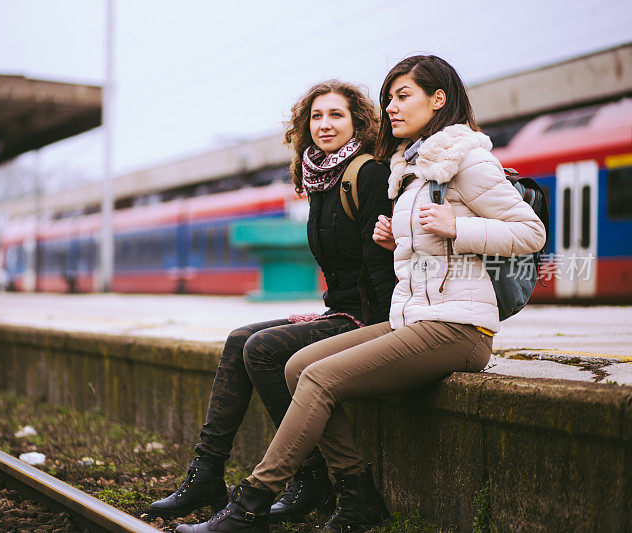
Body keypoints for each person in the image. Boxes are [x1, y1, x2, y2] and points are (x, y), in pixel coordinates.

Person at [174, 55, 546, 533]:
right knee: (293, 368)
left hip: (459, 326)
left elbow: (529, 232)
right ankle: (358, 496)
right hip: (415, 319)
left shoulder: (466, 157)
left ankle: (251, 504)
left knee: (319, 379)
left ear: (439, 99)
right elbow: (430, 247)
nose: (390, 106)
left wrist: (460, 227)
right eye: (389, 97)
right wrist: (401, 240)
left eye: (403, 95)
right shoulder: (413, 164)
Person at [148, 80, 394, 524]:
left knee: (262, 349)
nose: (325, 125)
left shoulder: (368, 174)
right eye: (317, 116)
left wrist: (382, 329)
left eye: (337, 115)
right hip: (339, 310)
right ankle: (206, 473)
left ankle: (313, 475)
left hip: (369, 317)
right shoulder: (320, 177)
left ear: (358, 120)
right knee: (239, 338)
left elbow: (381, 266)